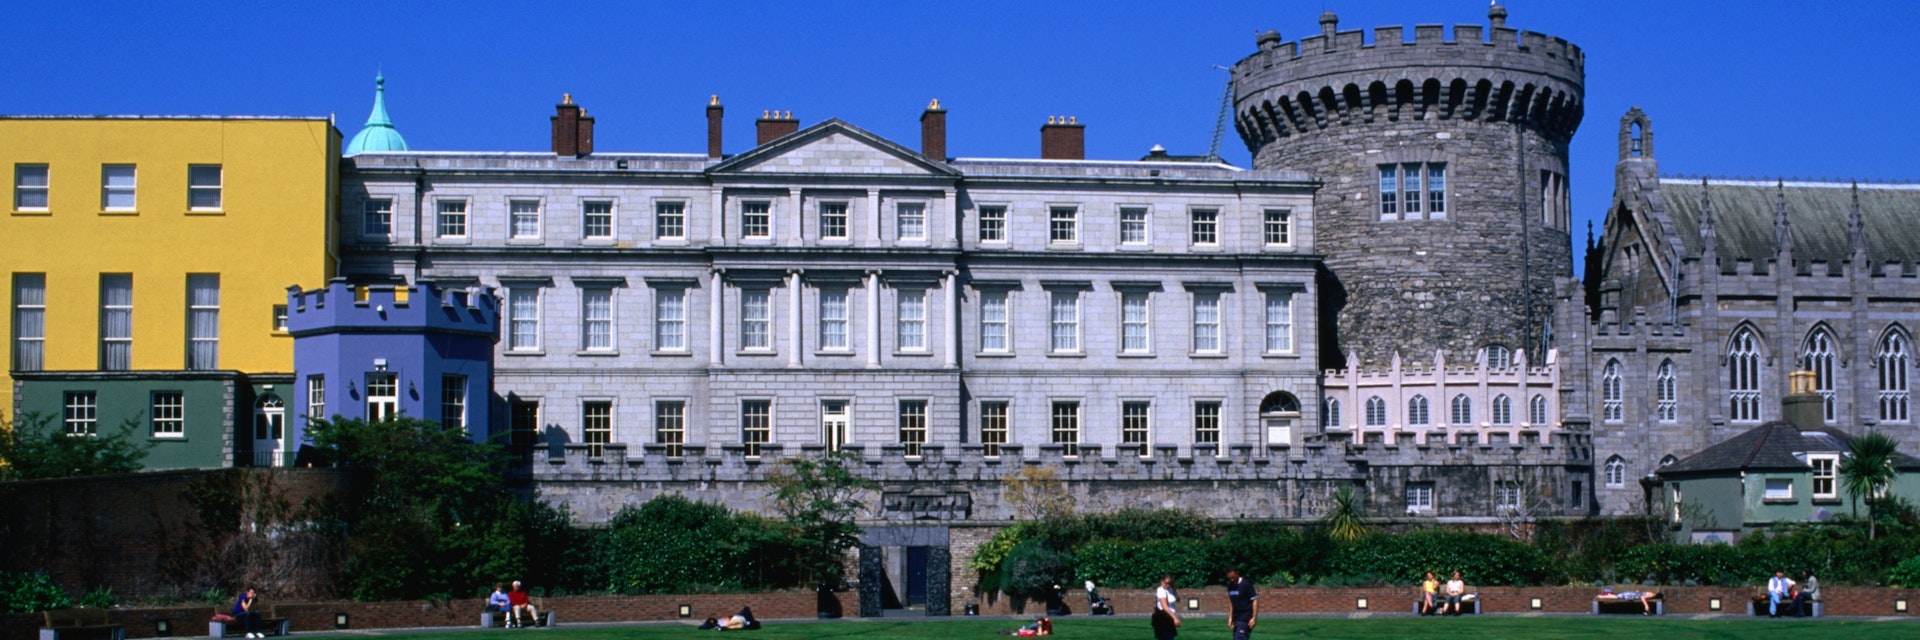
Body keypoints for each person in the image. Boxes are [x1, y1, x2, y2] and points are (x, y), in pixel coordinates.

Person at [1223, 568, 1258, 640]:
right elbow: (1232, 602)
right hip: (1236, 619)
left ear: (1237, 573)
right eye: (1229, 578)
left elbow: (1254, 600)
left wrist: (1253, 618)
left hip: (1245, 618)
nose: (1232, 580)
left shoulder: (1246, 584)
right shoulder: (1230, 585)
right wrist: (1230, 617)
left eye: (1233, 577)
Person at [1152, 574, 1181, 640]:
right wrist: (1175, 618)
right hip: (1163, 618)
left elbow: (1178, 599)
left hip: (1169, 618)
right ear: (1161, 581)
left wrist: (1174, 589)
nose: (1167, 585)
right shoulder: (1161, 590)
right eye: (1166, 583)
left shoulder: (1169, 590)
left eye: (1169, 583)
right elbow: (1165, 607)